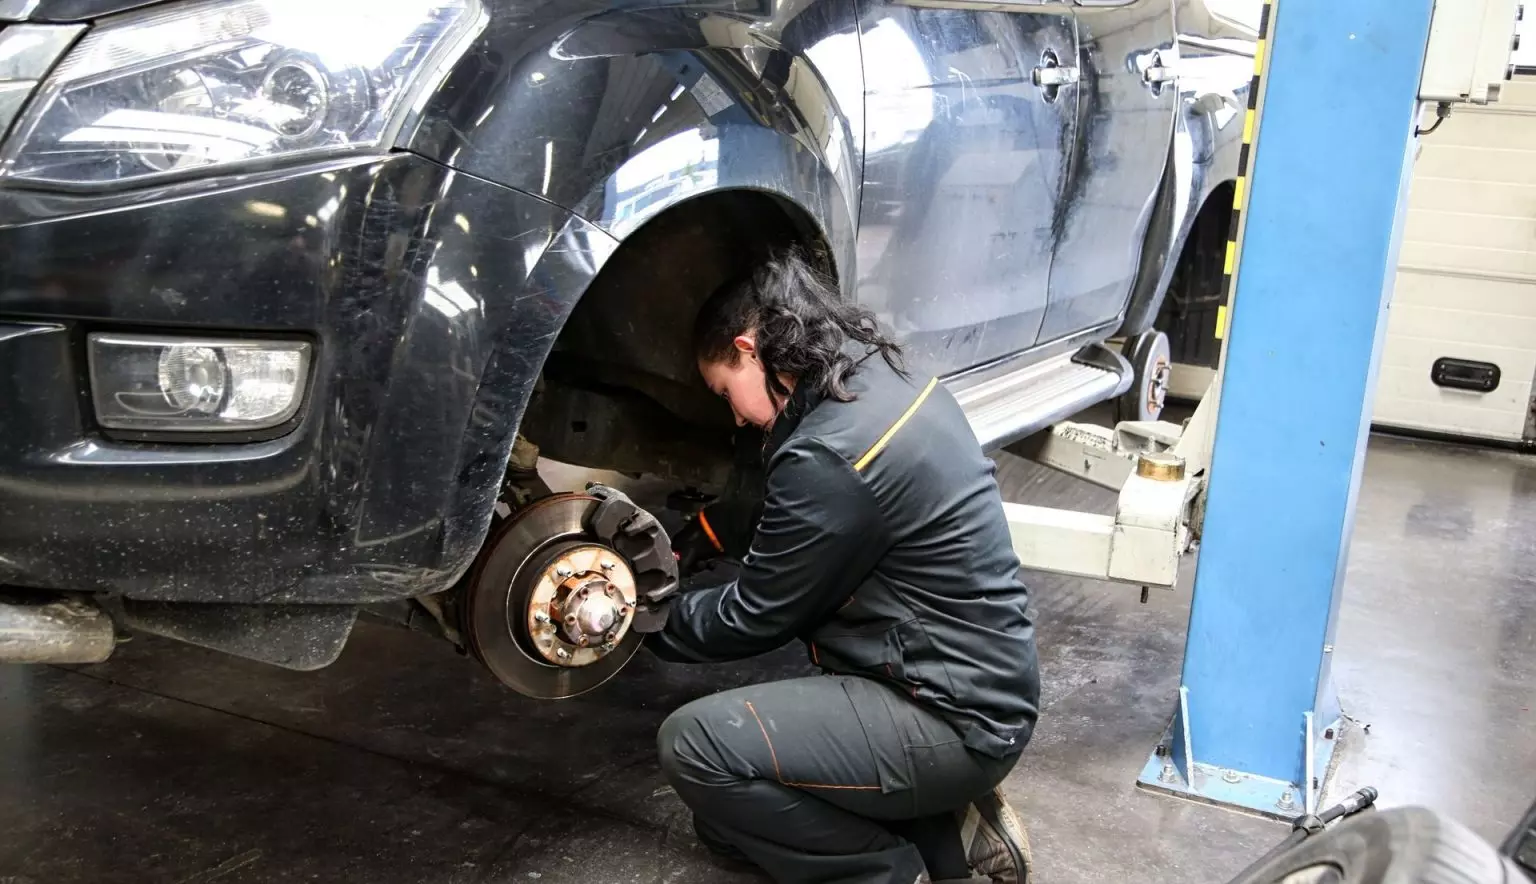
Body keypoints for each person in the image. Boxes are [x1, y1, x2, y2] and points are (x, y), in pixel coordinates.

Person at [645, 247, 1042, 884]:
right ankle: (952, 832)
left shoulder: (829, 454)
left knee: (696, 749)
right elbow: (805, 507)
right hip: (979, 690)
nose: (734, 415)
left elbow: (755, 615)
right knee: (725, 822)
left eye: (725, 392)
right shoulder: (878, 379)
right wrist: (708, 533)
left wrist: (639, 617)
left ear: (749, 349)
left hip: (948, 716)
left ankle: (892, 872)